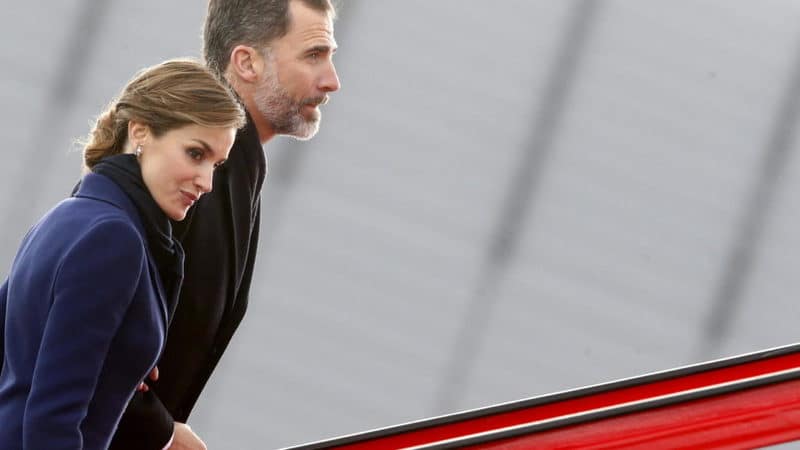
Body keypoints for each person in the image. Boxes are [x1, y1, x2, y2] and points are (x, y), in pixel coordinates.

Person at [110, 1, 341, 448]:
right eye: (314, 55)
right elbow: (90, 323)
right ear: (246, 62)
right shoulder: (187, 173)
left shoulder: (239, 171)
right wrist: (160, 433)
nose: (332, 80)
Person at [0, 59, 244, 449]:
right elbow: (53, 418)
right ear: (141, 132)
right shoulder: (114, 240)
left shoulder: (64, 216)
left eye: (216, 164)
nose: (207, 182)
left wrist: (125, 361)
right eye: (195, 154)